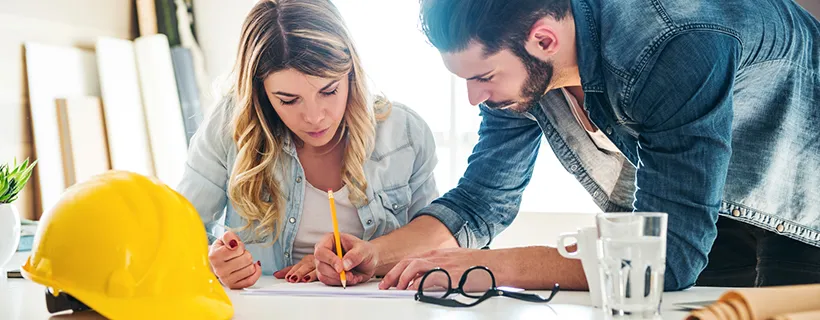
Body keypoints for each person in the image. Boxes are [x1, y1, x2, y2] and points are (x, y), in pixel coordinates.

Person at [315, 0, 820, 292]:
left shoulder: (670, 43)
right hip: (702, 206)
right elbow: (481, 201)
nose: (474, 99)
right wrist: (375, 254)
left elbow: (661, 260)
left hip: (802, 202)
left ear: (544, 40)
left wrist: (491, 266)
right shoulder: (525, 70)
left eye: (483, 77)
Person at [175, 0, 449, 289]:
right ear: (261, 92)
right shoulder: (230, 125)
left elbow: (436, 248)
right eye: (288, 100)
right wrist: (213, 263)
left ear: (351, 73)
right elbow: (179, 237)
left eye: (329, 90)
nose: (315, 117)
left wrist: (370, 262)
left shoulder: (404, 134)